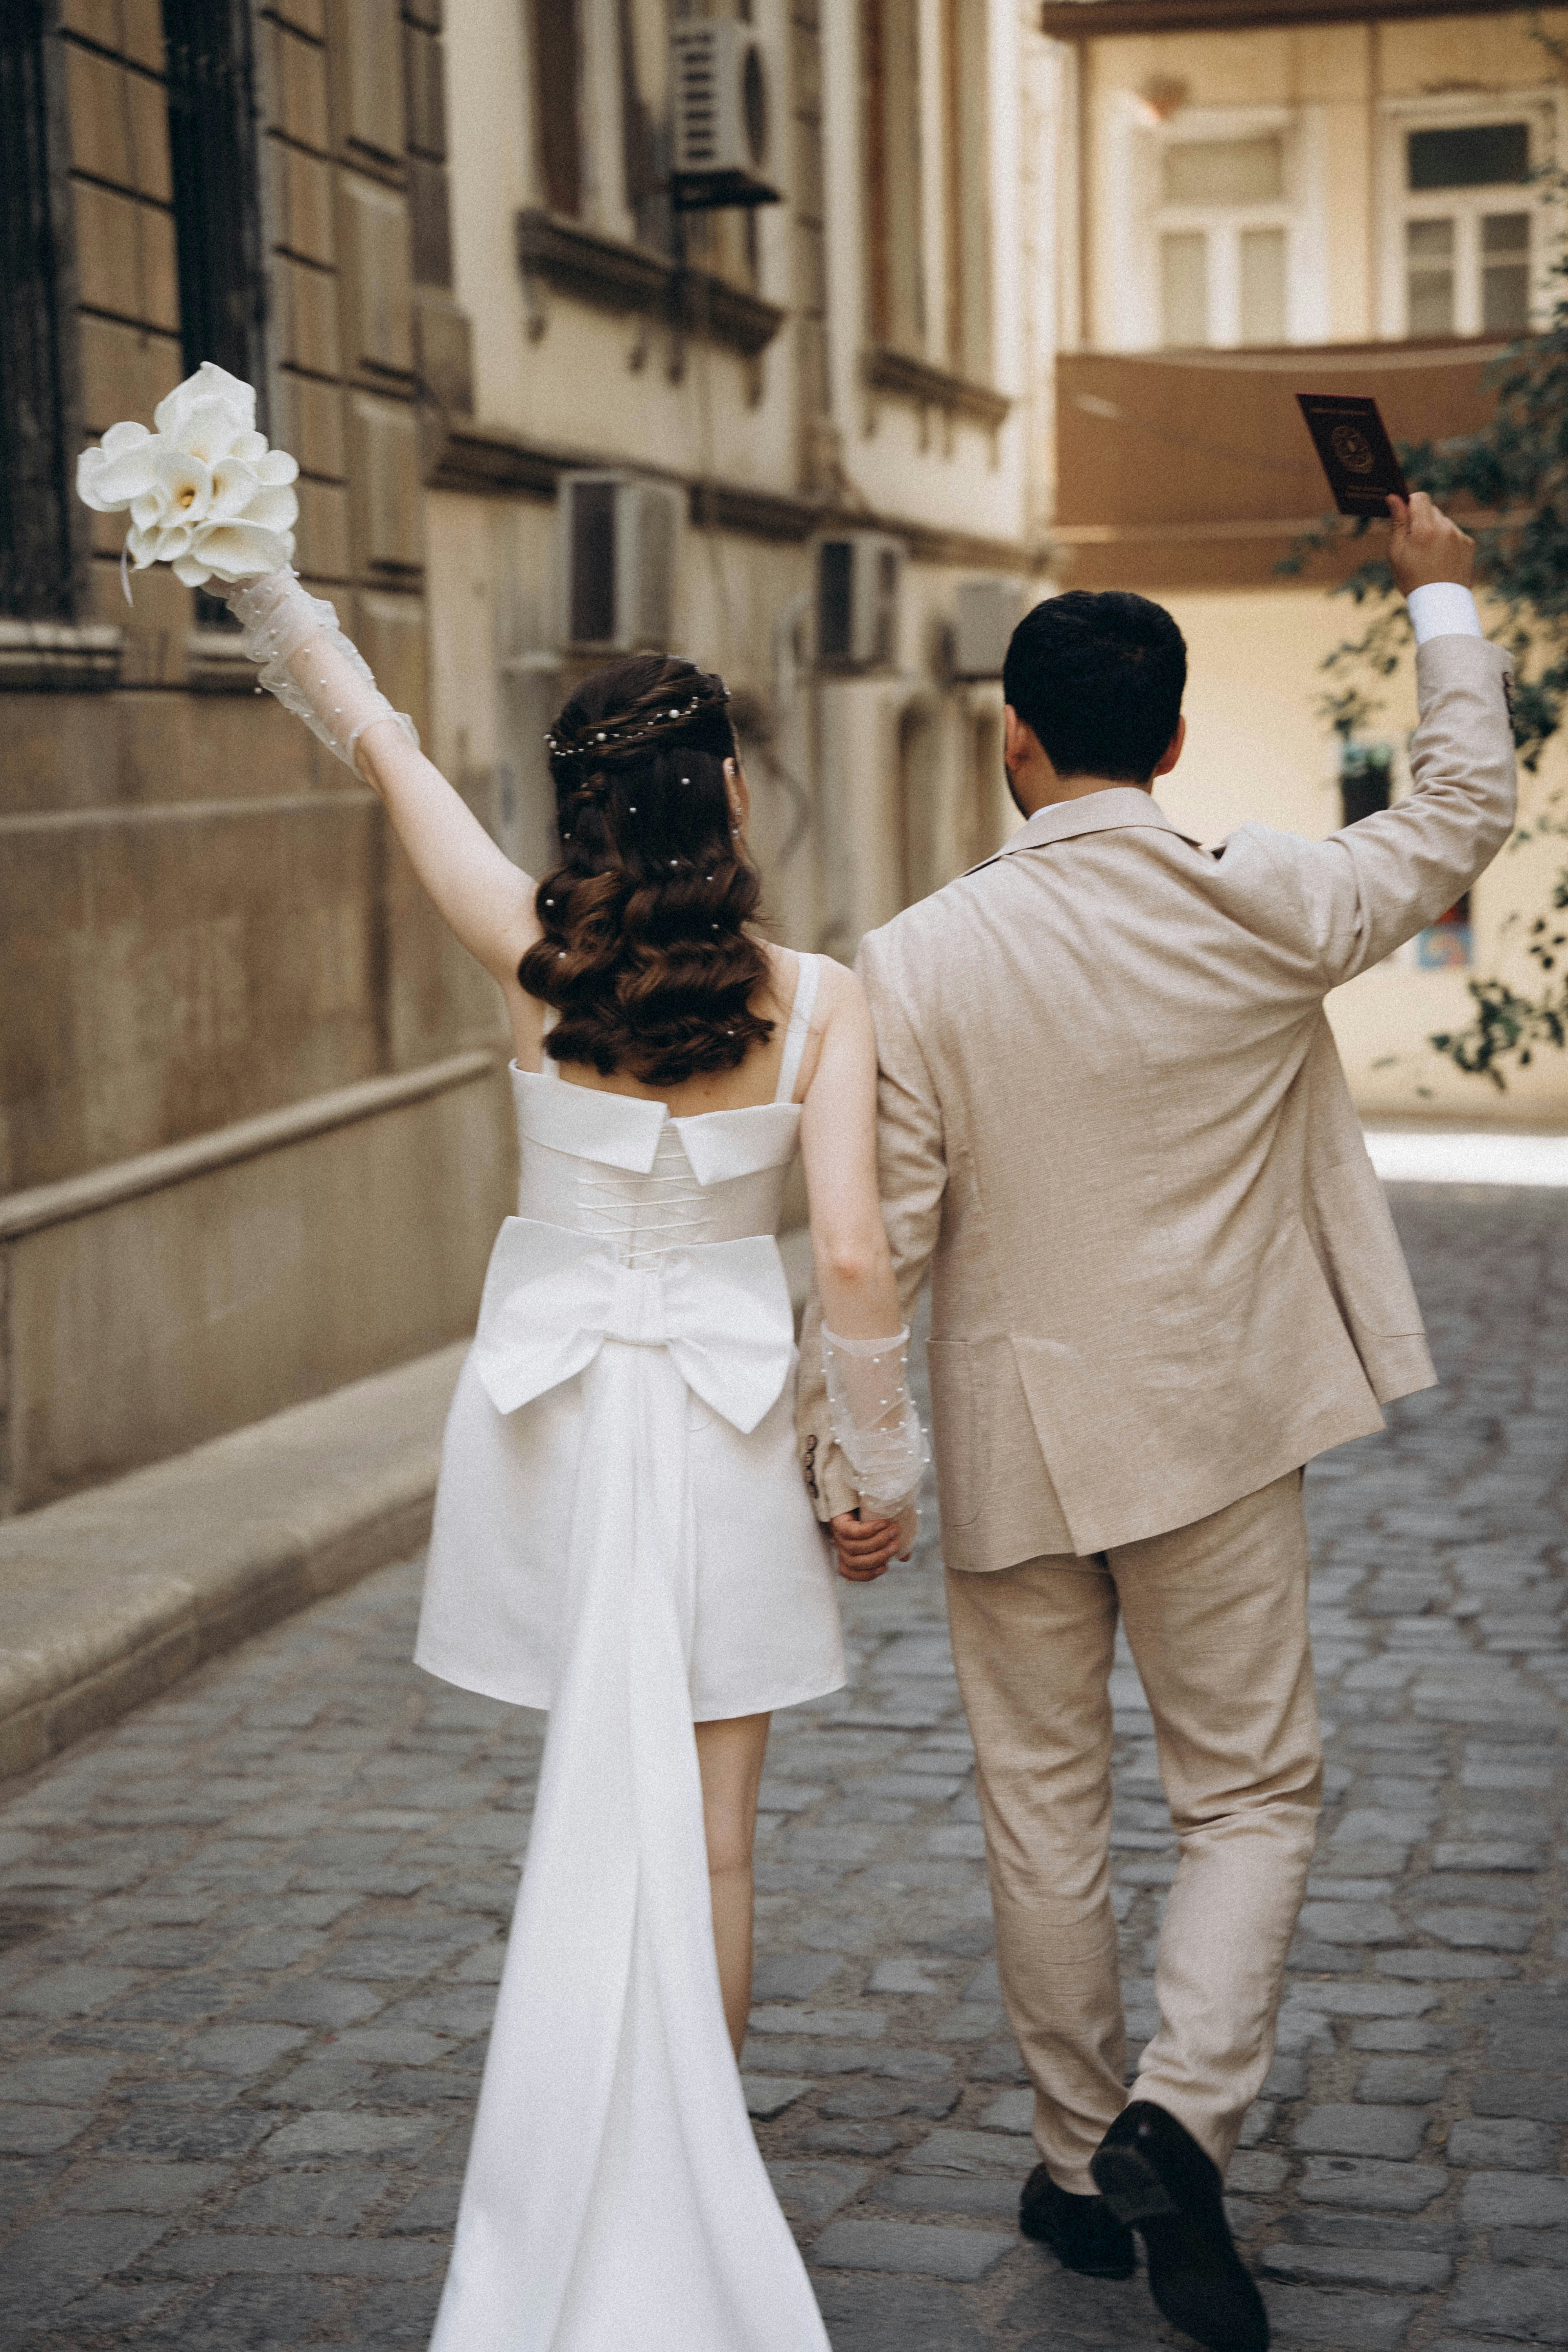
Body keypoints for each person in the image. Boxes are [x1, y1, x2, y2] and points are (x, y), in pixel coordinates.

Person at [798, 493, 1514, 2352]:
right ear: (1174, 739)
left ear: (1009, 742)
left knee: (1042, 1814)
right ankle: (1174, 2123)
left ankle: (1068, 2157)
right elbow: (1455, 815)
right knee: (1251, 1792)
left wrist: (854, 1465)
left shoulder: (918, 955)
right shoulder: (1265, 891)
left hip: (1016, 1437)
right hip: (1212, 1422)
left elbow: (889, 1234)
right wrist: (1437, 585)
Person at [221, 576, 923, 2350]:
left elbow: (385, 755)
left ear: (581, 817)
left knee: (587, 1808)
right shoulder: (823, 998)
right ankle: (688, 2168)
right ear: (738, 802)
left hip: (557, 1426)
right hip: (721, 1427)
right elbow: (851, 1258)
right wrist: (877, 1471)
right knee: (716, 1839)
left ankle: (573, 2167)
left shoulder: (528, 951)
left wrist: (265, 582)